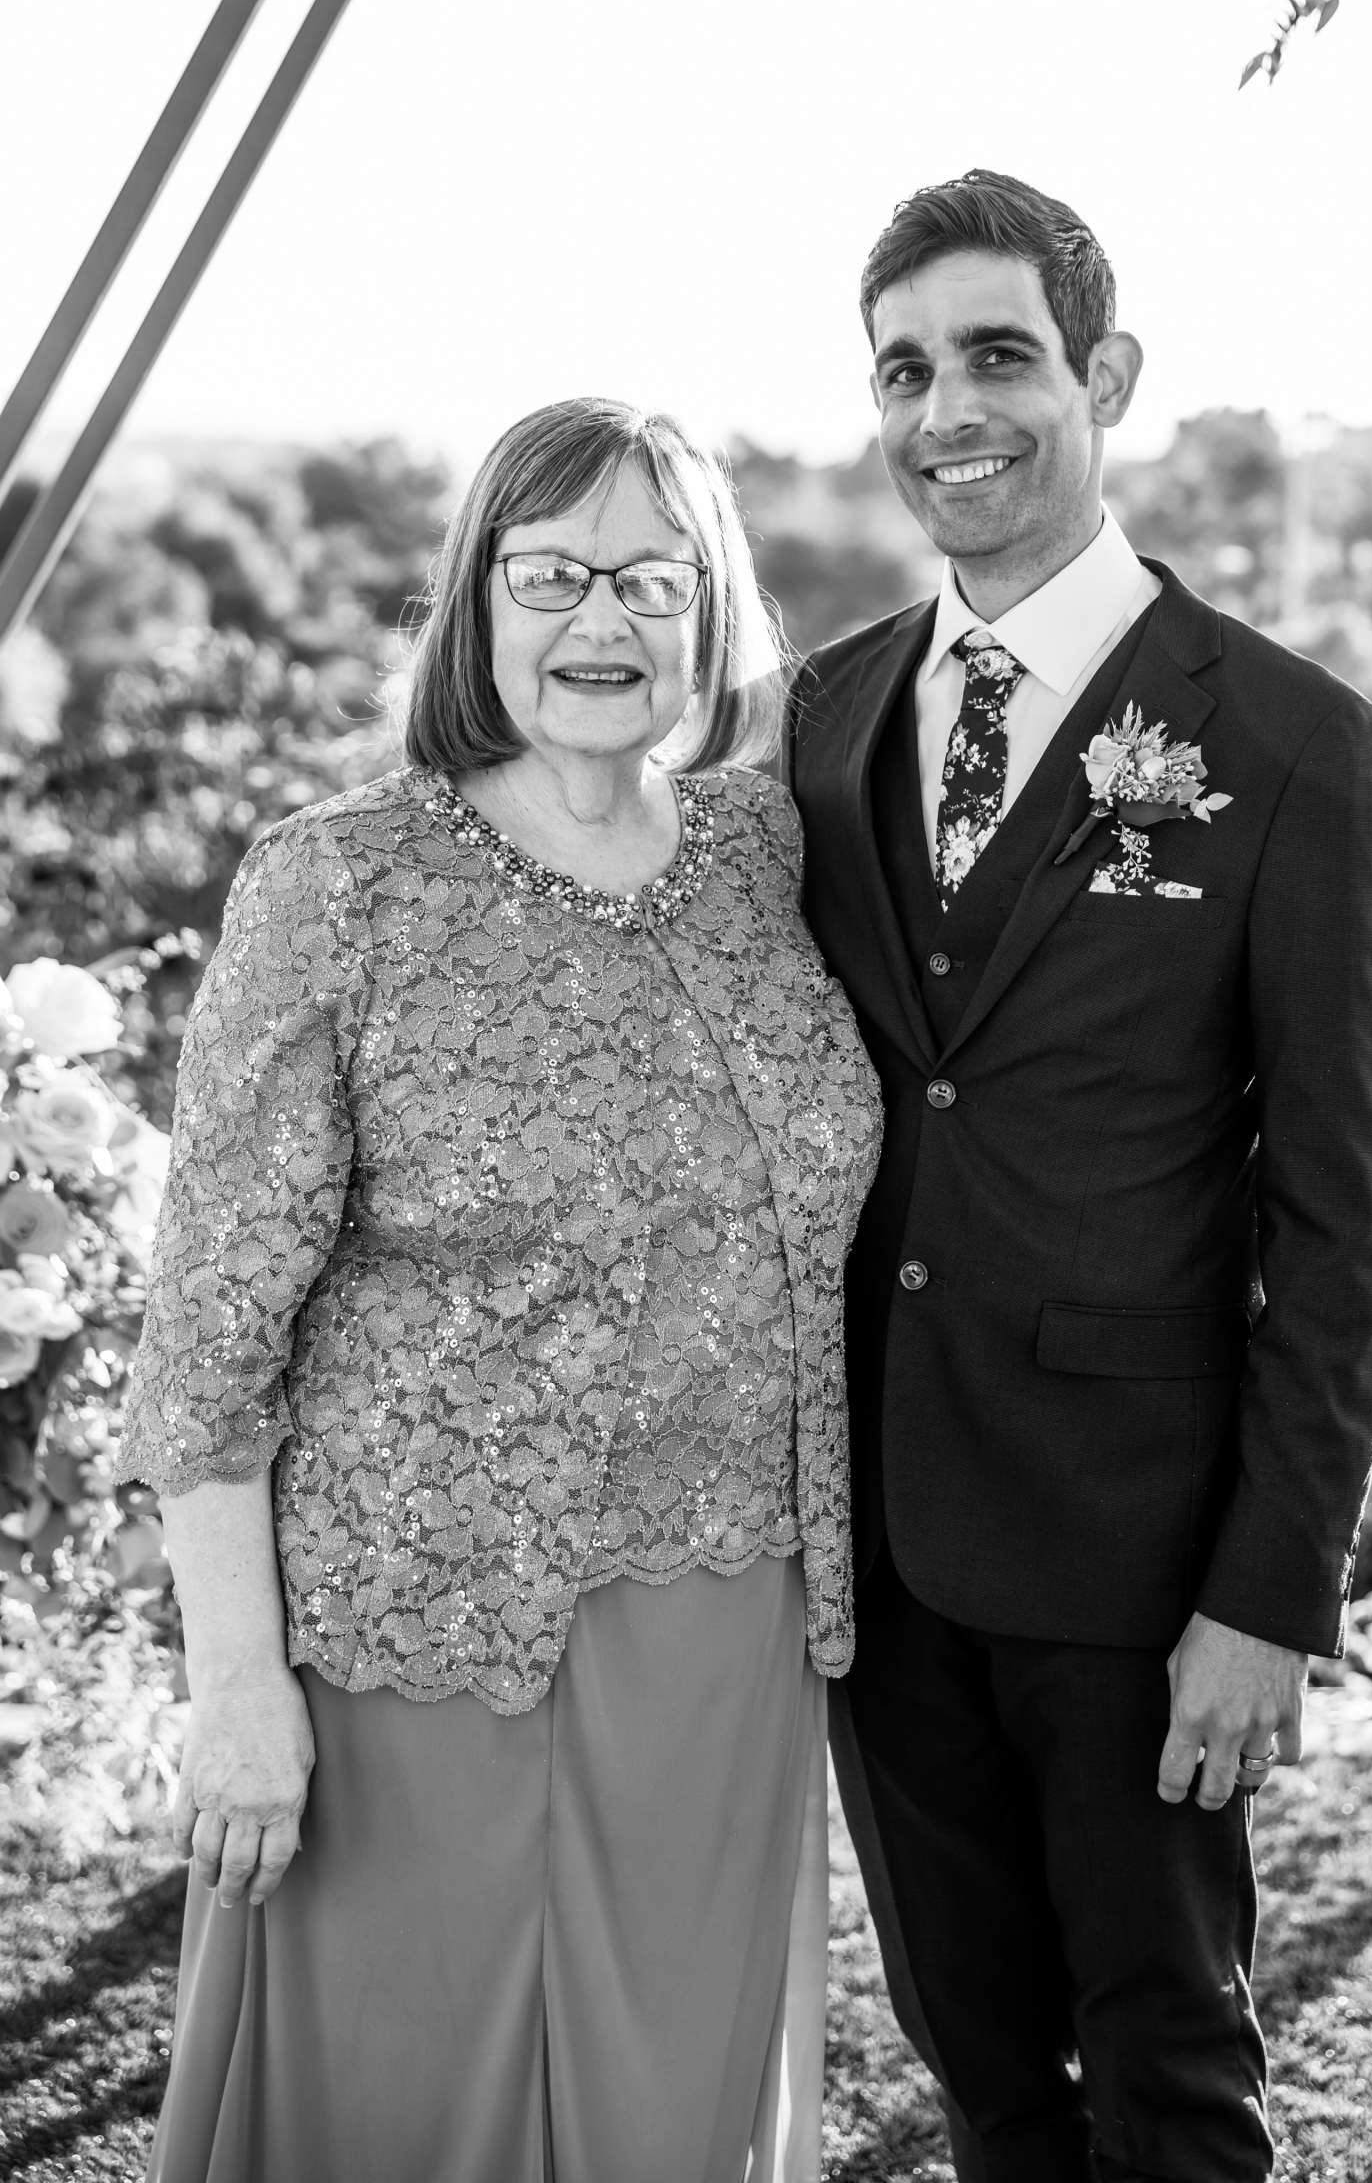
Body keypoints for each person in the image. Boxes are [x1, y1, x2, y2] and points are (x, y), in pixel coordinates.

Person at [116, 397, 882, 2183]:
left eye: (651, 578)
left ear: (716, 613)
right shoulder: (338, 886)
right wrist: (236, 1686)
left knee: (673, 2125)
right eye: (551, 573)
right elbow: (212, 1328)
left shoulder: (768, 864)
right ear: (477, 600)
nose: (602, 624)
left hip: (728, 1636)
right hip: (411, 1648)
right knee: (402, 2114)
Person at [786, 170, 1372, 2183]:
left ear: (1101, 375)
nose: (944, 411)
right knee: (973, 2065)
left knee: (1166, 2066)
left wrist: (1266, 1595)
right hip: (875, 1543)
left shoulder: (1292, 745)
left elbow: (1330, 1214)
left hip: (1138, 1562)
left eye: (995, 356)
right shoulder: (821, 718)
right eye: (902, 370)